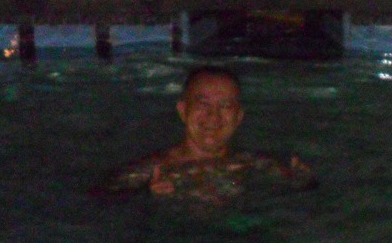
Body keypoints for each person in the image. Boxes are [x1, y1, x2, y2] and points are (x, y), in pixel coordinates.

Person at [99, 65, 316, 204]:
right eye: (203, 105)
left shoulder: (255, 163)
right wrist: (149, 197)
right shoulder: (152, 171)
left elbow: (304, 200)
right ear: (183, 111)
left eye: (225, 106)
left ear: (239, 117)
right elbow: (102, 200)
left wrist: (302, 182)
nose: (213, 116)